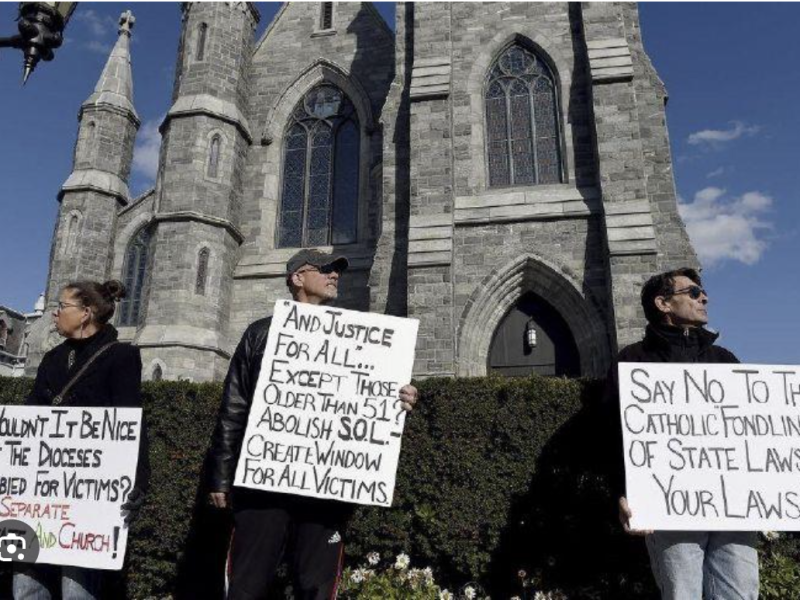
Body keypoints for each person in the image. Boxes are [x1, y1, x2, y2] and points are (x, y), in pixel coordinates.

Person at [206, 249, 419, 600]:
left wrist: (399, 398)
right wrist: (221, 475)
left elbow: (370, 400)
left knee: (317, 587)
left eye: (337, 270)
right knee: (247, 583)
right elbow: (234, 406)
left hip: (324, 489)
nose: (334, 275)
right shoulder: (260, 333)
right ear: (297, 278)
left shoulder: (357, 338)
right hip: (264, 486)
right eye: (324, 269)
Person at [606, 268, 758, 600]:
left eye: (702, 292)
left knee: (741, 592)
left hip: (731, 504)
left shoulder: (725, 360)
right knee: (683, 594)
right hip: (670, 503)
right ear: (663, 303)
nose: (704, 297)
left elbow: (751, 433)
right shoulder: (633, 362)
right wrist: (623, 492)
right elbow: (612, 435)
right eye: (693, 292)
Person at [15, 280, 149, 600]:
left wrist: (136, 482)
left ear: (86, 313)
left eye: (62, 307)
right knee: (25, 584)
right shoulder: (52, 359)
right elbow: (32, 417)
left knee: (77, 588)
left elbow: (129, 421)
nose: (55, 314)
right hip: (39, 491)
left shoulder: (121, 357)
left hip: (87, 501)